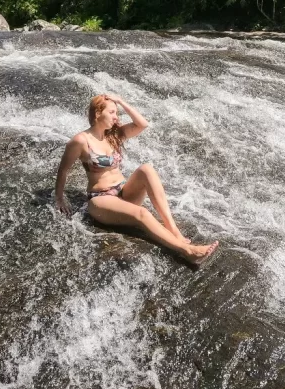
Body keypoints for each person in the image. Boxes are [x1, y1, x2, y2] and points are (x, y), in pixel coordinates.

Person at [55, 93, 218, 265]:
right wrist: (59, 198)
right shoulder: (81, 140)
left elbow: (142, 124)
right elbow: (63, 170)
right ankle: (188, 251)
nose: (116, 117)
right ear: (97, 113)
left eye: (116, 113)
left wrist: (121, 101)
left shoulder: (113, 135)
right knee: (143, 213)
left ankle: (174, 231)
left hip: (123, 193)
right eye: (111, 112)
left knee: (146, 169)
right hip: (101, 200)